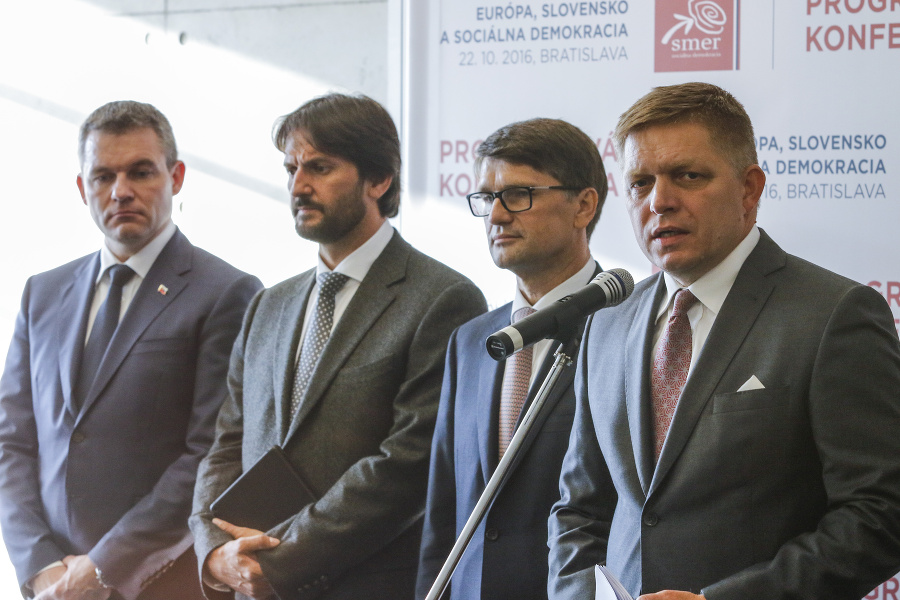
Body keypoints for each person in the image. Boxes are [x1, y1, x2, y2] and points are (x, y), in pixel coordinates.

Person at [548, 82, 900, 600]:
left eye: (688, 176)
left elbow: (880, 514)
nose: (660, 202)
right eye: (641, 183)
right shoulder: (606, 321)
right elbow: (579, 508)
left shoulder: (833, 315)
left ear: (749, 189)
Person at [190, 92, 487, 600]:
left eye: (320, 167)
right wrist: (215, 552)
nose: (298, 186)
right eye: (291, 169)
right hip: (250, 585)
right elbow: (226, 446)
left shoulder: (443, 299)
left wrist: (278, 559)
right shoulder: (267, 306)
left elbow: (407, 464)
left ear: (379, 179)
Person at [0, 100, 263, 600]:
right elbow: (11, 442)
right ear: (83, 189)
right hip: (53, 586)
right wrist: (41, 567)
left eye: (140, 172)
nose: (120, 190)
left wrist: (102, 569)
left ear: (175, 177)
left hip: (162, 584)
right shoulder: (42, 294)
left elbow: (208, 455)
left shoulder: (226, 293)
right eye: (103, 176)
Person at [416, 118, 607, 600]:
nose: (496, 216)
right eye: (487, 198)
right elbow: (444, 514)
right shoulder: (470, 340)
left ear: (583, 205)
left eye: (519, 194)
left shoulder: (627, 327)